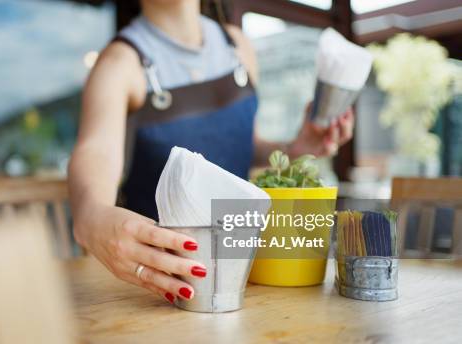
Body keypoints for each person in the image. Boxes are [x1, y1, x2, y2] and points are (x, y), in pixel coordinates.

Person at [68, 0, 353, 304]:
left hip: (243, 271)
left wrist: (295, 149)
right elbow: (95, 152)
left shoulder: (238, 45)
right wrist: (90, 215)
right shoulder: (119, 63)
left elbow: (244, 145)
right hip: (163, 285)